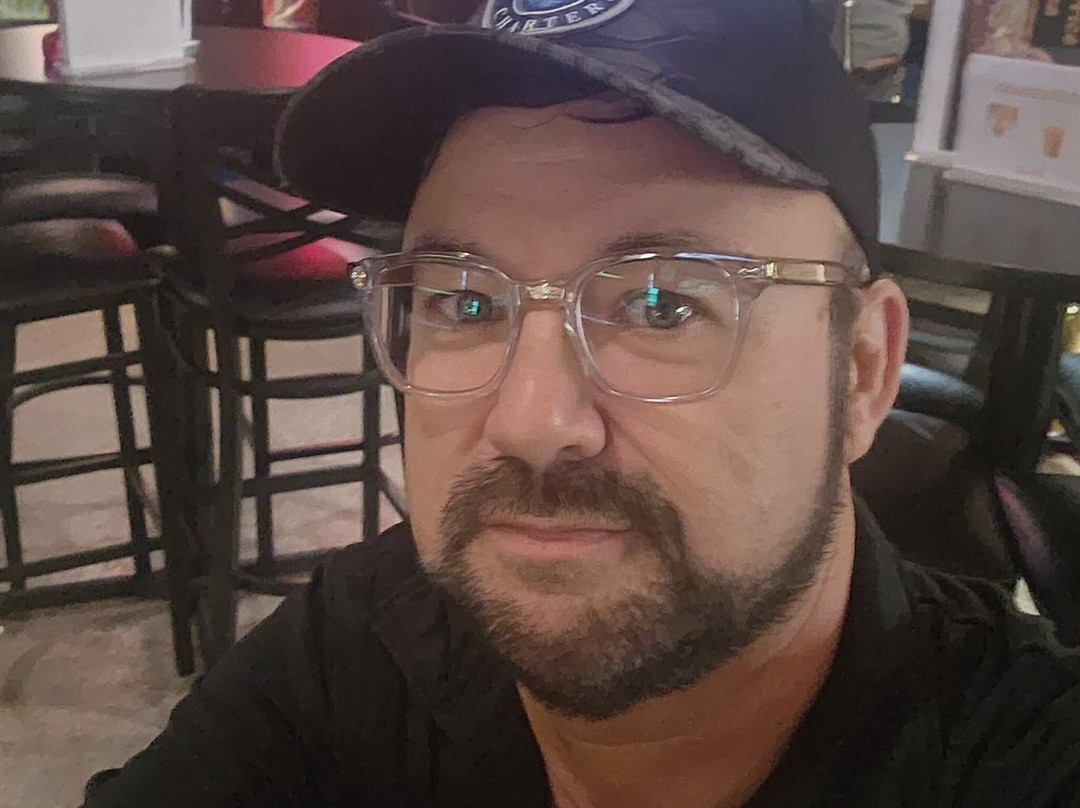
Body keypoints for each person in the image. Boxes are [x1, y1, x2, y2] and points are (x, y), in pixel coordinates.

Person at [83, 1, 1080, 806]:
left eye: (662, 305)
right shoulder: (365, 646)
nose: (530, 421)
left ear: (862, 368)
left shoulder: (1017, 756)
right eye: (465, 302)